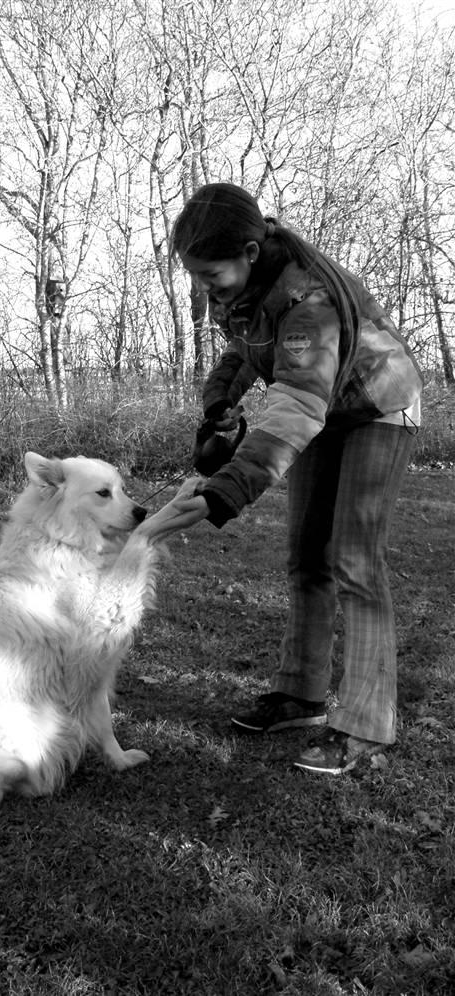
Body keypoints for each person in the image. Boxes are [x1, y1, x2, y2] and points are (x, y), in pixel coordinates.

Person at [148, 182, 422, 775]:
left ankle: (366, 724)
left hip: (378, 404)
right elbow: (246, 351)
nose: (203, 287)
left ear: (249, 251)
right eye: (194, 276)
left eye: (209, 274)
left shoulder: (308, 300)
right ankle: (302, 695)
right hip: (325, 408)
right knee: (305, 557)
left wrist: (229, 488)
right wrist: (219, 402)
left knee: (354, 560)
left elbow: (298, 402)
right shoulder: (242, 290)